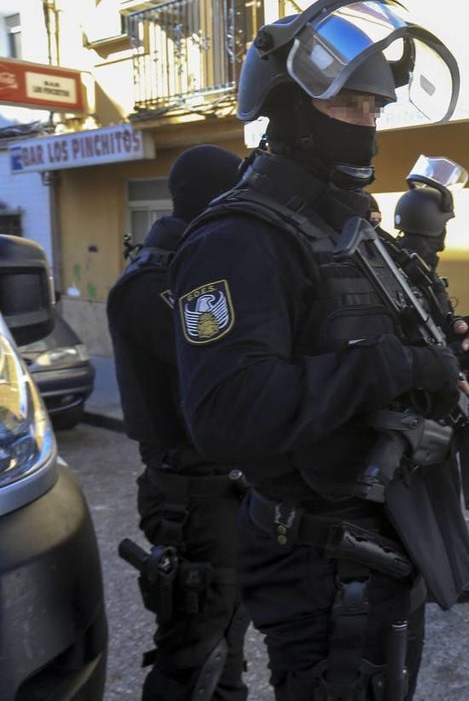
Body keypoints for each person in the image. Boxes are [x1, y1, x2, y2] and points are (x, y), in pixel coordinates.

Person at [169, 0, 469, 700]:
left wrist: (459, 347)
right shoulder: (239, 238)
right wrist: (392, 367)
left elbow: (388, 334)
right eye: (349, 106)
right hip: (317, 560)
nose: (367, 126)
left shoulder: (348, 229)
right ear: (290, 111)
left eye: (375, 108)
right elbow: (229, 412)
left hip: (383, 541)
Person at [106, 144, 250, 700]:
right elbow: (221, 372)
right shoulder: (155, 282)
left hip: (219, 488)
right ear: (214, 200)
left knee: (226, 643)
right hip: (189, 496)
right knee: (194, 656)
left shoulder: (196, 269)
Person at [391, 165, 469, 604]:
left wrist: (467, 329)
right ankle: (441, 578)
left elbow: (436, 326)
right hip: (419, 405)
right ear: (435, 228)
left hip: (429, 397)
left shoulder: (411, 266)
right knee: (432, 494)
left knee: (439, 491)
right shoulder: (405, 270)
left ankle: (449, 574)